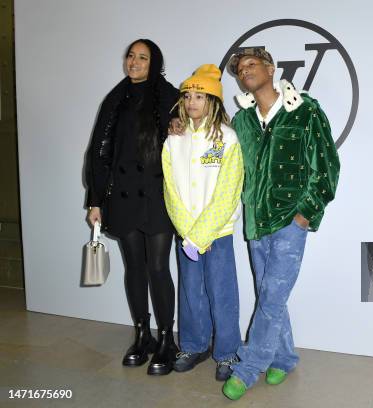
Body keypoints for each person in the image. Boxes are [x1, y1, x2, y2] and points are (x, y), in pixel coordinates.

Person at [221, 48, 341, 400]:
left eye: (252, 65)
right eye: (240, 69)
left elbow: (327, 165)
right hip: (256, 222)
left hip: (290, 220)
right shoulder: (241, 121)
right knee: (271, 296)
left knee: (272, 296)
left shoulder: (305, 109)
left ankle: (247, 368)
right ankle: (284, 357)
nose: (245, 72)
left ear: (271, 69)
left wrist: (306, 212)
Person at [85, 39, 179, 375]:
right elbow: (99, 152)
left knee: (157, 267)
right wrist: (95, 200)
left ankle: (168, 340)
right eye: (130, 56)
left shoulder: (170, 96)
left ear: (155, 62)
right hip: (122, 195)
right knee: (134, 268)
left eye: (142, 57)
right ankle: (143, 335)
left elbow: (186, 147)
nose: (134, 62)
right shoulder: (115, 98)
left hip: (157, 196)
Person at [161, 64, 243, 381]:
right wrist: (188, 232)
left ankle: (227, 352)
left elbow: (228, 192)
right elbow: (171, 190)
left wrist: (201, 234)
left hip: (217, 234)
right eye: (188, 96)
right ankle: (194, 345)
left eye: (200, 96)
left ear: (214, 101)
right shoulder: (173, 140)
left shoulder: (228, 138)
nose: (193, 102)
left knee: (222, 293)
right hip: (185, 234)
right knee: (190, 291)